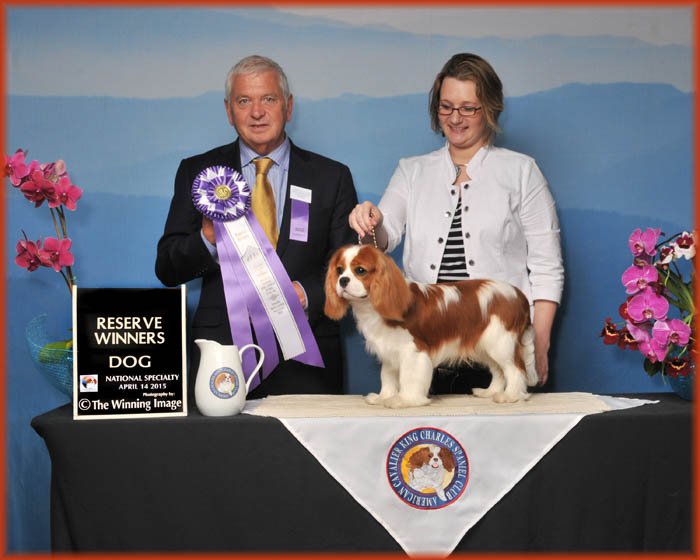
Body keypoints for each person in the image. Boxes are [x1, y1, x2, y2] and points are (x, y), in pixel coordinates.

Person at [349, 53, 563, 392]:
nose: (455, 118)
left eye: (468, 108)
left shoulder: (522, 172)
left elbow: (547, 266)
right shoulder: (412, 170)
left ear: (490, 109)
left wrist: (539, 340)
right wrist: (371, 222)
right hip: (425, 345)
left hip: (498, 341)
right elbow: (383, 238)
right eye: (446, 107)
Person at [156, 55, 358, 401]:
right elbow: (168, 268)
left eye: (268, 99)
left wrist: (303, 293)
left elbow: (349, 267)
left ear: (288, 106)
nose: (257, 112)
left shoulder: (331, 176)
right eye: (243, 101)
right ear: (228, 111)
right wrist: (206, 239)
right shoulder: (198, 172)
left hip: (307, 354)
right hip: (222, 356)